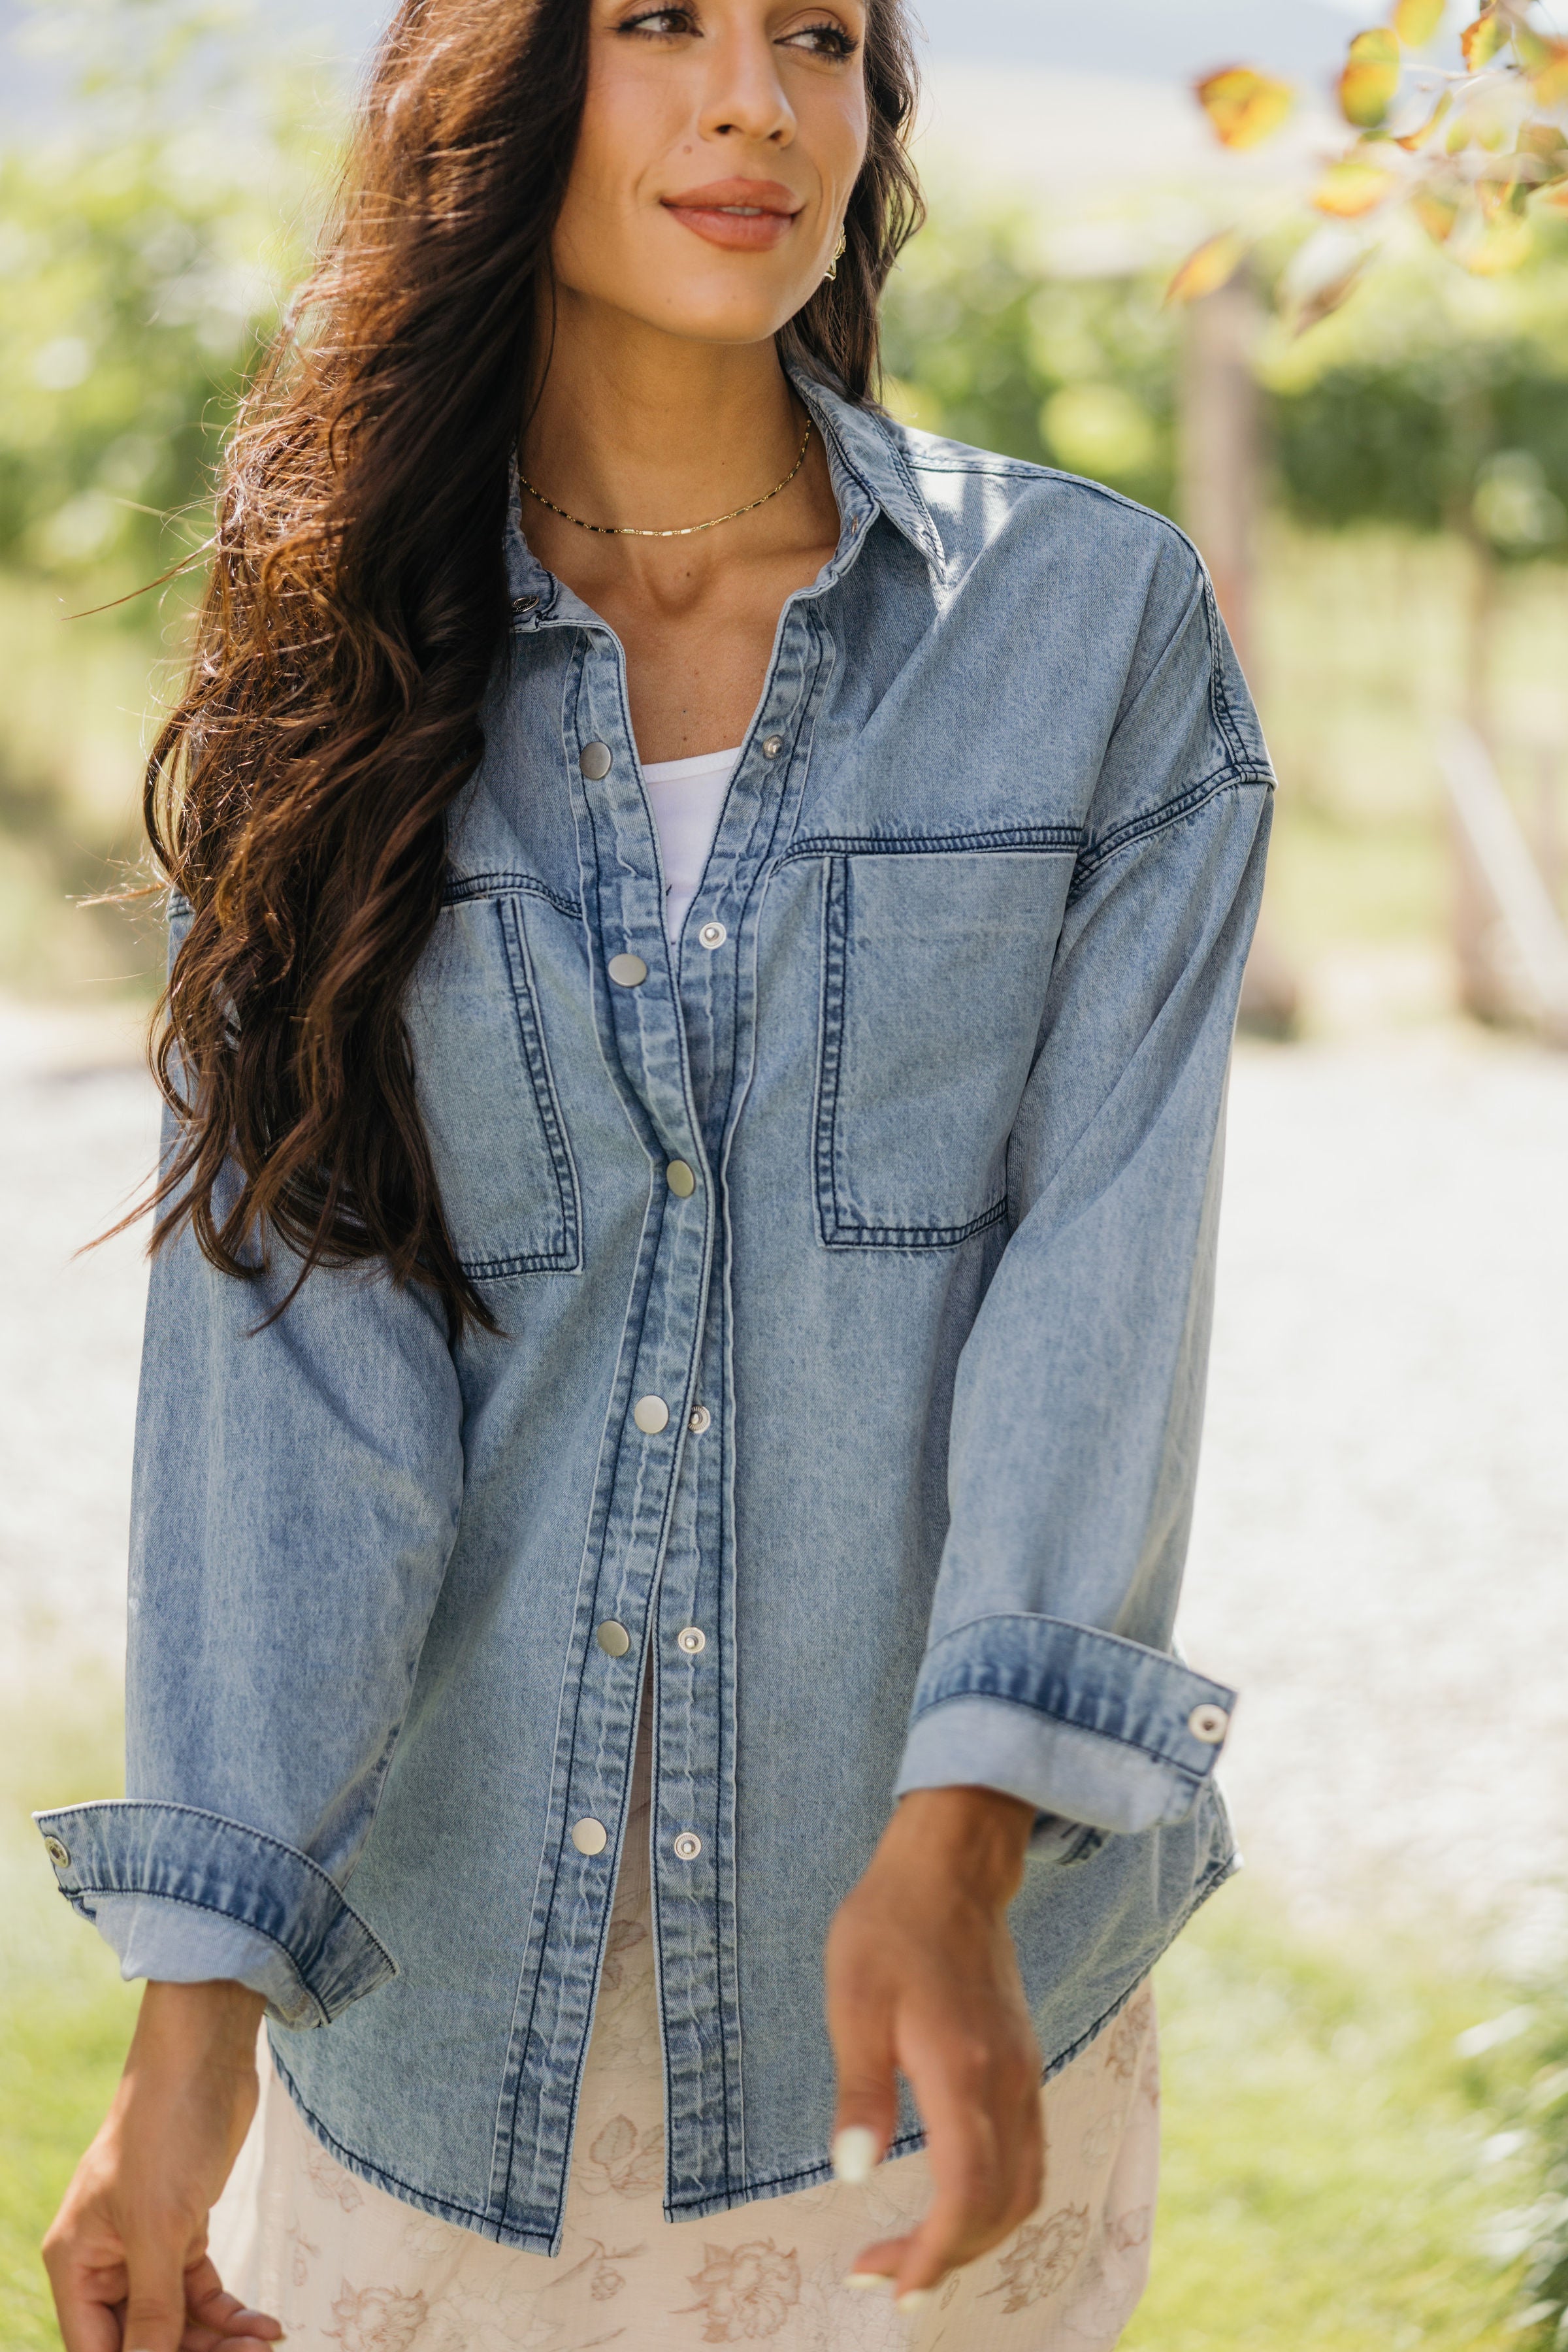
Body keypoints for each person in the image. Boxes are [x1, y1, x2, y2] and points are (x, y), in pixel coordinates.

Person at [37, 0, 1273, 2345]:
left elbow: (1101, 1283)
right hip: (448, 2022)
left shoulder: (1084, 636)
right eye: (664, 25)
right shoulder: (332, 673)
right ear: (490, 99)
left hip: (933, 1993)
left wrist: (969, 1837)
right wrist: (187, 2039)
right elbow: (293, 1382)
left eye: (822, 33)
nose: (755, 103)